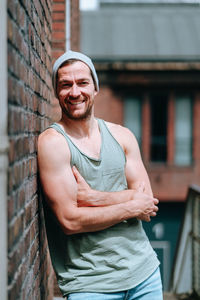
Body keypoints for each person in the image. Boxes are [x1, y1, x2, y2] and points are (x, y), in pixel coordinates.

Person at [37, 50, 163, 300]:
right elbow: (71, 221)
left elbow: (147, 204)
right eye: (65, 85)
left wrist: (94, 198)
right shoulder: (53, 143)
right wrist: (130, 205)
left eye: (82, 83)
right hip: (90, 285)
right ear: (56, 91)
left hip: (145, 275)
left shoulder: (122, 136)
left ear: (95, 88)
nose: (75, 92)